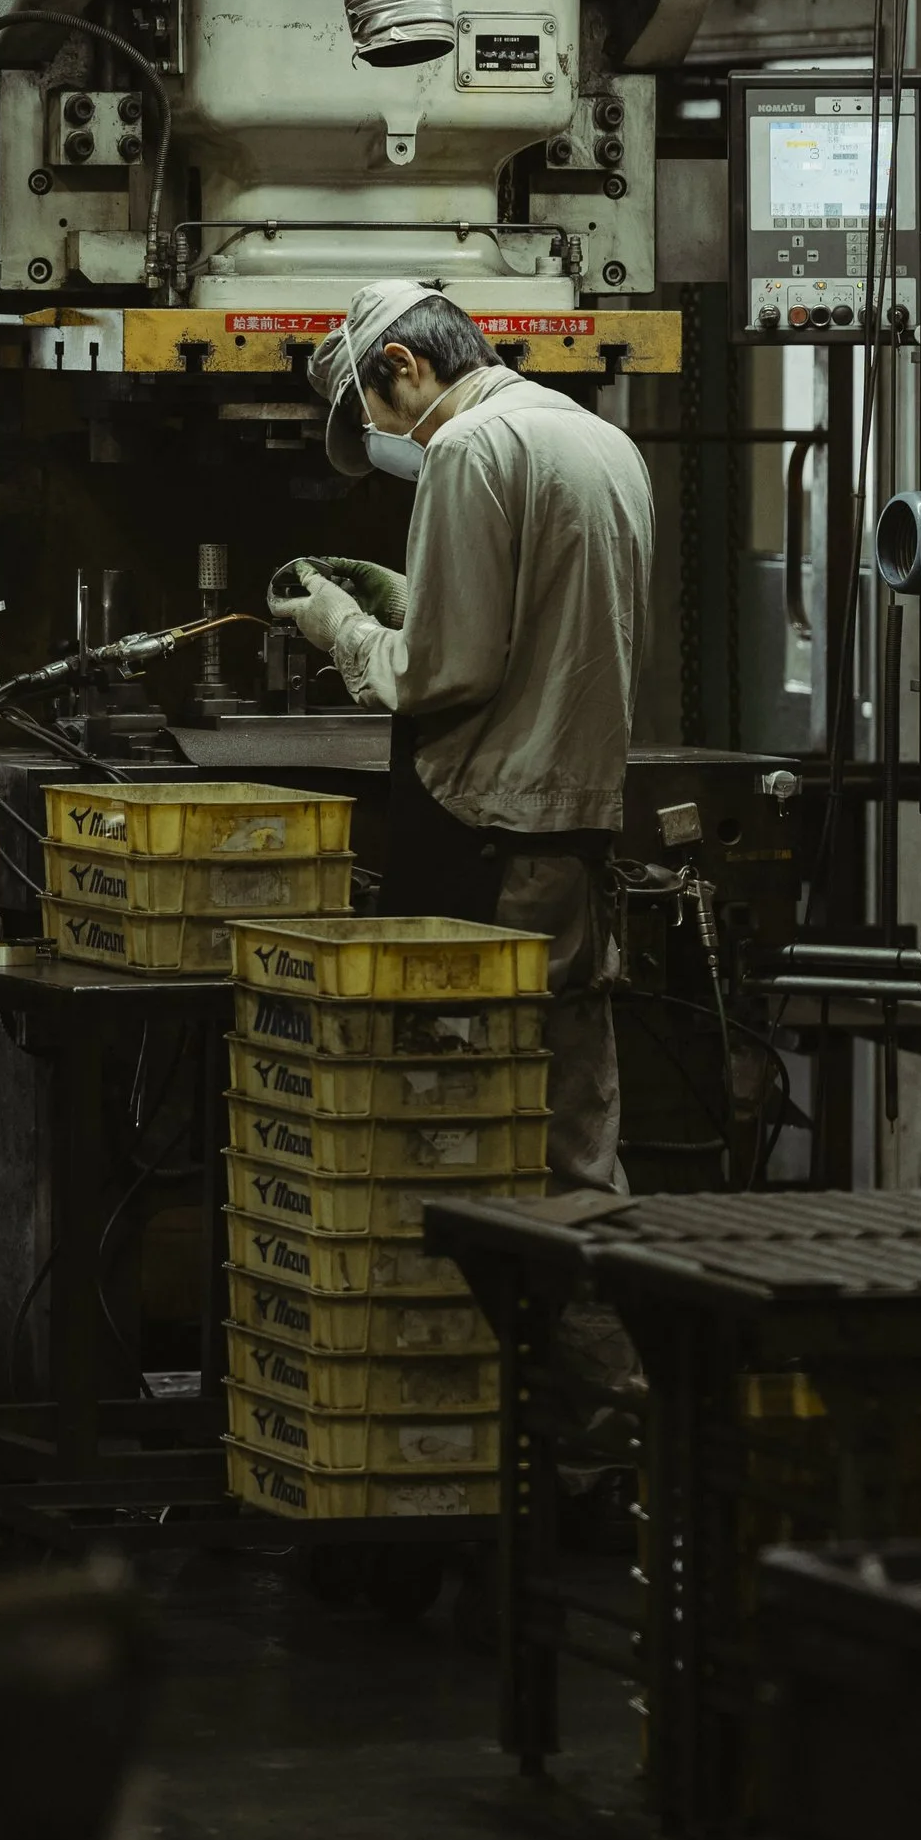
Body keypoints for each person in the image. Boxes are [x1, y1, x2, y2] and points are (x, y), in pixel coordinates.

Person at [267, 278, 655, 1195]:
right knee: (569, 1141)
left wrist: (341, 629)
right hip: (575, 831)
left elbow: (446, 673)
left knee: (463, 1133)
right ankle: (592, 1330)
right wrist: (412, 599)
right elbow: (534, 626)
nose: (393, 443)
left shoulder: (468, 449)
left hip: (487, 843)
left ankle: (477, 1330)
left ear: (403, 364)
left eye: (375, 414)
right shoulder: (599, 439)